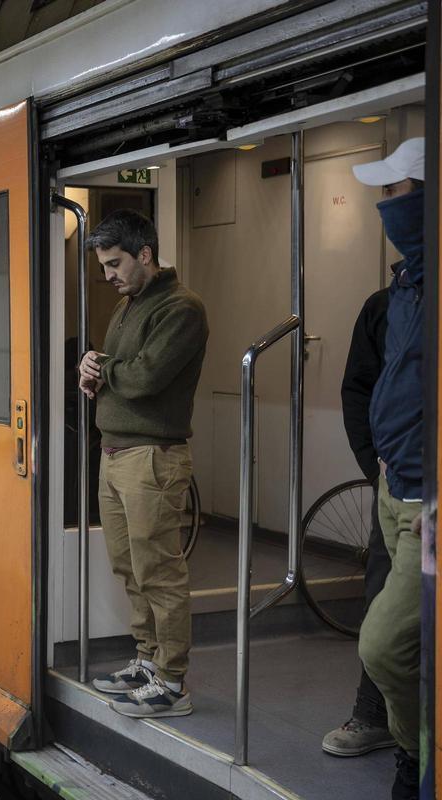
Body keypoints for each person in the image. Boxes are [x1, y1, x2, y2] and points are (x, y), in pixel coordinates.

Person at [78, 209, 209, 718]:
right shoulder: (129, 305)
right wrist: (91, 370)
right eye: (103, 265)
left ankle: (173, 681)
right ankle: (148, 659)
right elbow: (121, 373)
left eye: (114, 263)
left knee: (158, 570)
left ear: (146, 255)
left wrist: (106, 370)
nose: (107, 275)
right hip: (116, 454)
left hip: (152, 458)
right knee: (128, 566)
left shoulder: (181, 308)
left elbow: (146, 377)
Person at [350, 136, 425, 800]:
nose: (384, 206)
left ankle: (414, 751)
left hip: (427, 498)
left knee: (384, 645)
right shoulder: (403, 286)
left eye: (395, 192)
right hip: (391, 482)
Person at [319, 270, 393, 757]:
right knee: (383, 600)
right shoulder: (384, 306)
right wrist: (375, 466)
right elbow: (358, 391)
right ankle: (374, 713)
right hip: (402, 486)